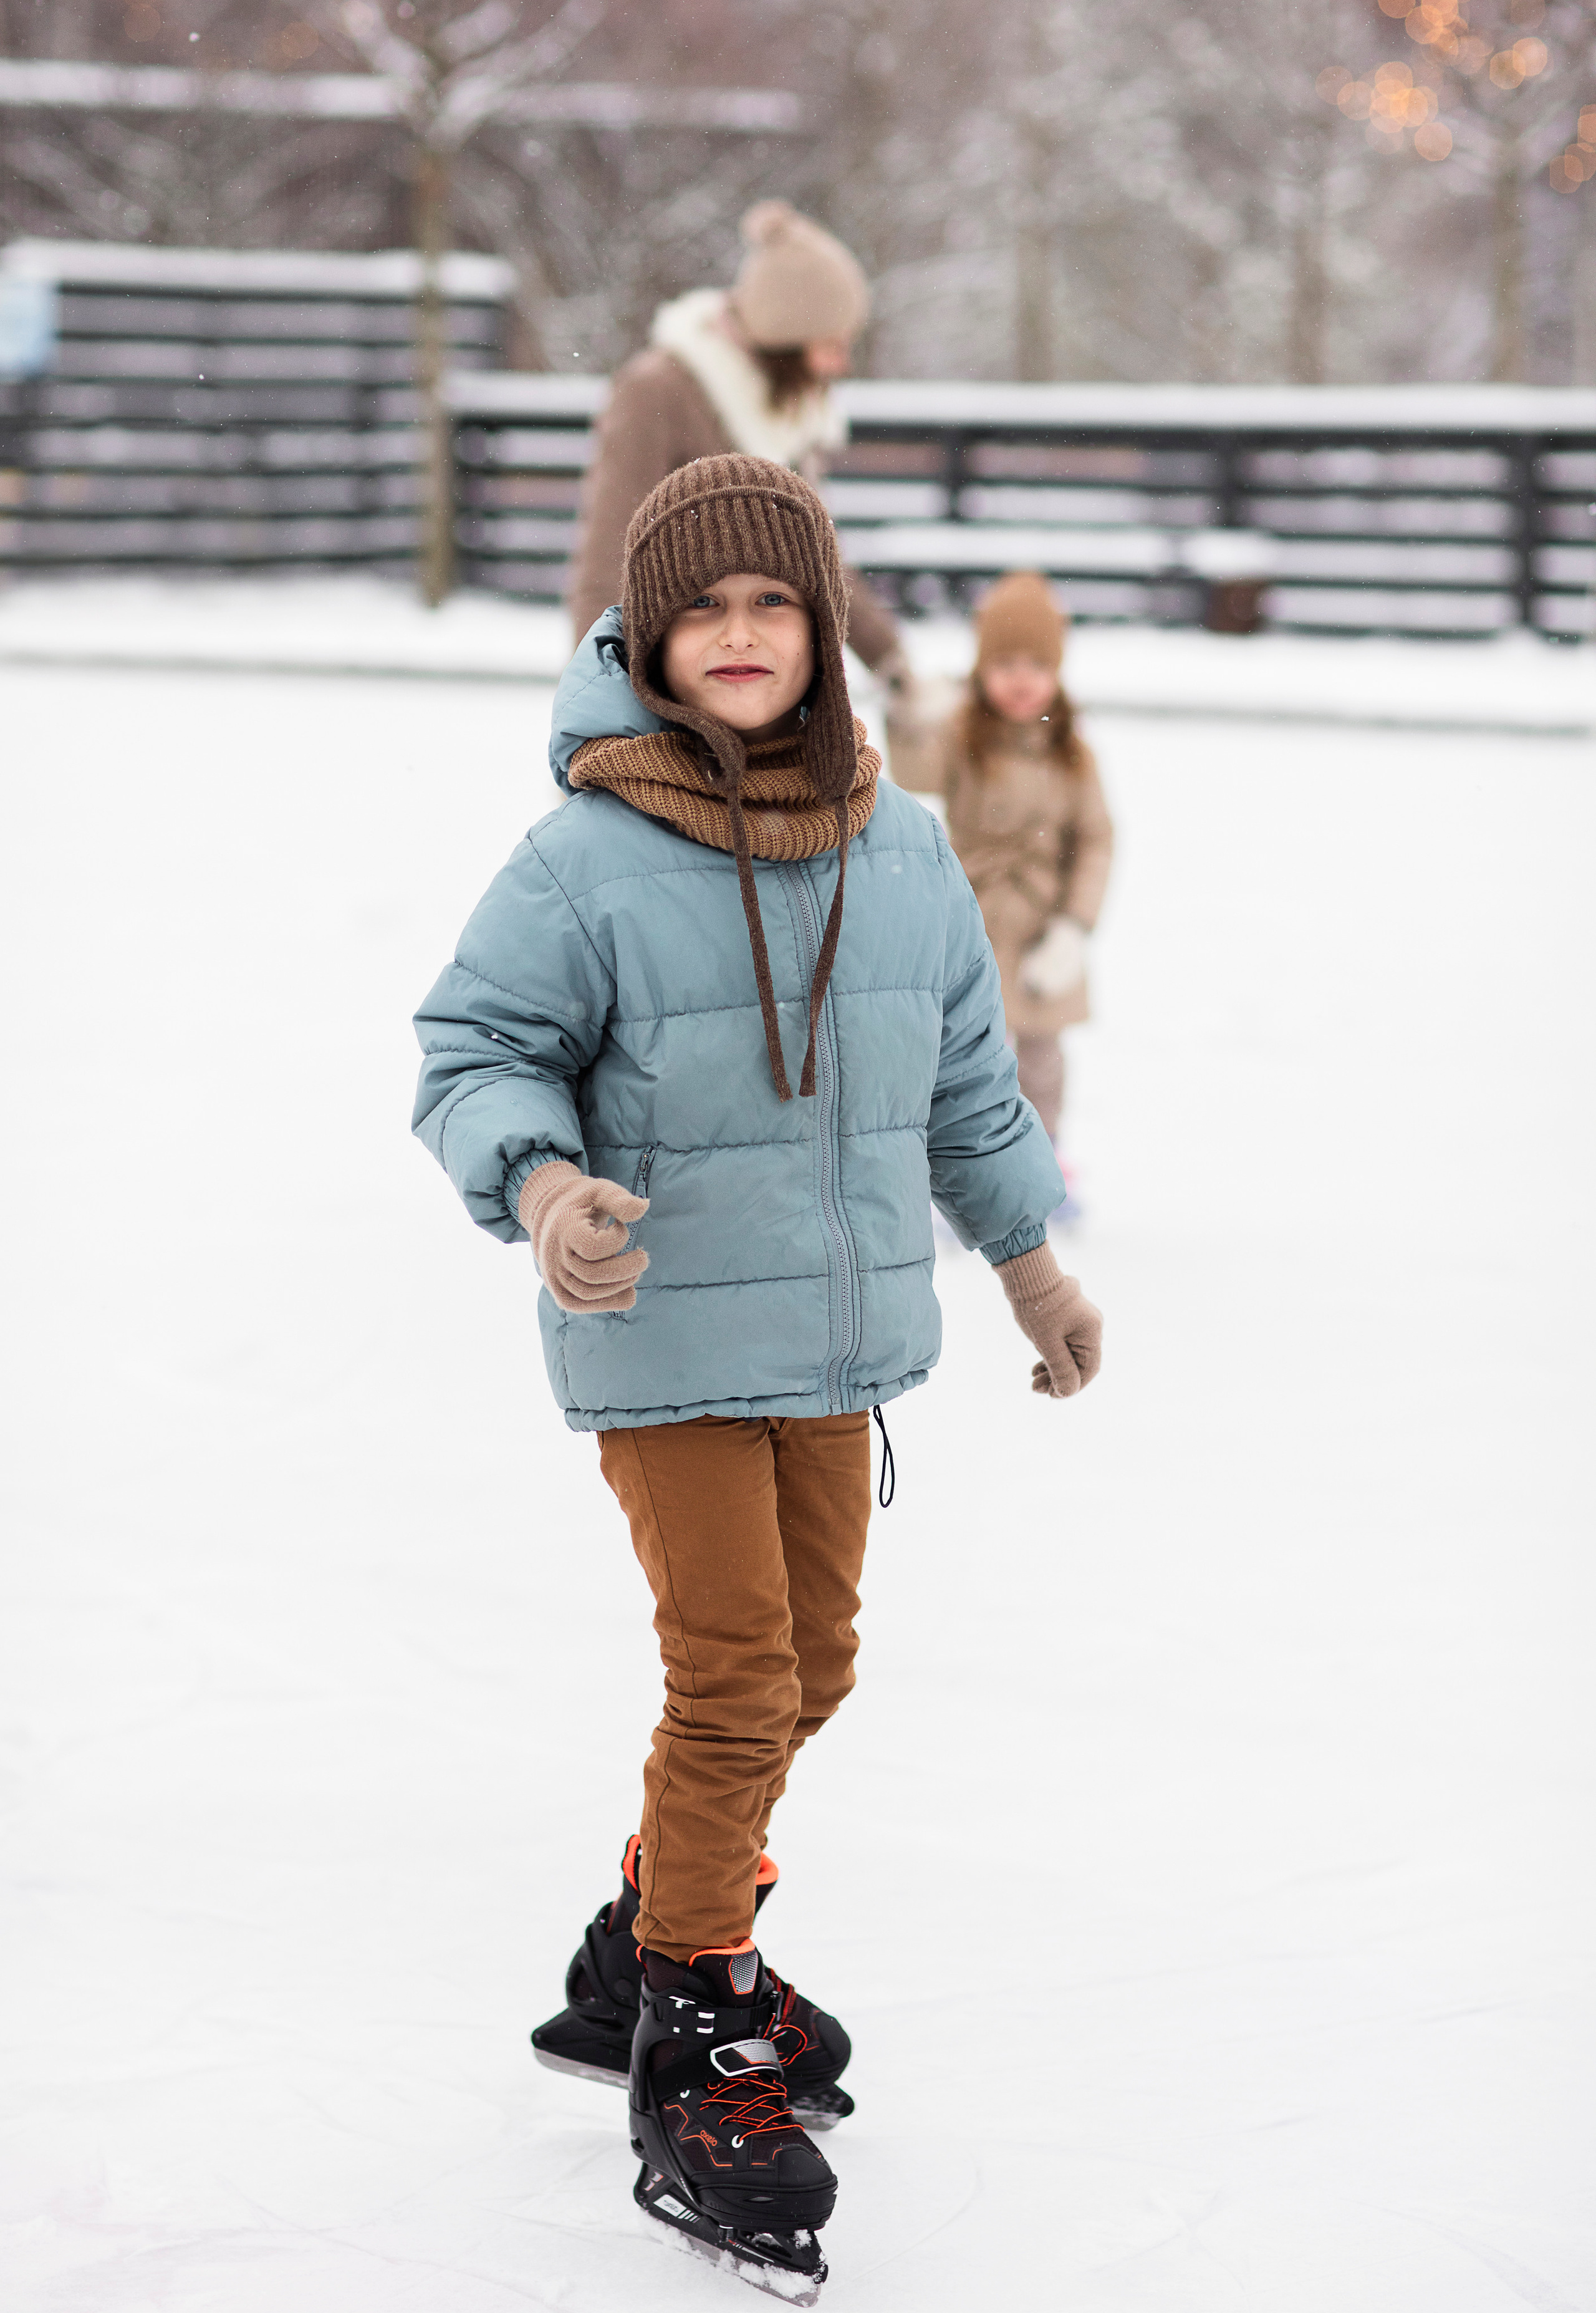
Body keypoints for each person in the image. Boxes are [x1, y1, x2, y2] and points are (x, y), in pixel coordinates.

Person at [411, 456, 1102, 2295]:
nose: (736, 636)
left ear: (818, 634)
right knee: (733, 1680)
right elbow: (471, 1046)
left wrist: (1029, 1258)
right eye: (698, 611)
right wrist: (542, 1182)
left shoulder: (900, 840)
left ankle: (643, 1932)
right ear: (645, 643)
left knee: (820, 1662)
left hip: (835, 1337)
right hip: (662, 1334)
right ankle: (694, 2020)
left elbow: (967, 1075)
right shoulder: (583, 853)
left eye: (770, 606)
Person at [567, 198, 906, 688]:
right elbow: (608, 562)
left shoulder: (782, 414)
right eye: (831, 344)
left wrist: (893, 662)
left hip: (760, 684)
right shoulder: (659, 392)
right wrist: (601, 699)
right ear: (785, 337)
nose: (841, 364)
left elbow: (818, 560)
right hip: (677, 682)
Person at [892, 571, 1113, 1151]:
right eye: (1005, 665)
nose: (1021, 681)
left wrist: (1074, 927)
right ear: (981, 670)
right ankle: (962, 1158)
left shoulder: (1072, 752)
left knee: (1040, 1058)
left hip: (1044, 926)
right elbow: (915, 772)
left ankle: (1045, 1154)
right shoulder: (962, 736)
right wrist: (910, 713)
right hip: (975, 920)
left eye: (1036, 667)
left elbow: (1095, 839)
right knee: (965, 1048)